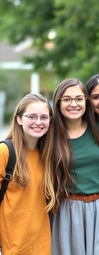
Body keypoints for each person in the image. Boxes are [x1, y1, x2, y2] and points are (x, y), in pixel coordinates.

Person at [50, 78, 99, 255]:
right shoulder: (50, 136)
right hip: (67, 210)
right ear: (58, 102)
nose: (74, 104)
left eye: (79, 98)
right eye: (67, 99)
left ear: (86, 101)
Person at [0, 93, 55, 255]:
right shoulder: (5, 152)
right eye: (32, 116)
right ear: (19, 119)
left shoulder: (47, 155)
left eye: (44, 117)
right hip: (12, 248)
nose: (38, 122)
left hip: (43, 247)